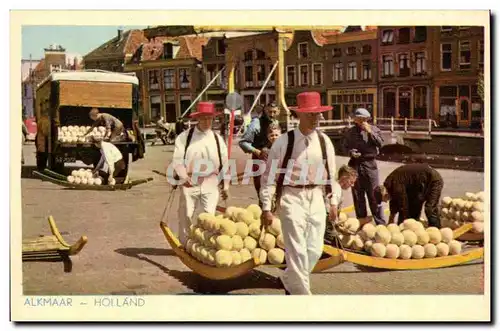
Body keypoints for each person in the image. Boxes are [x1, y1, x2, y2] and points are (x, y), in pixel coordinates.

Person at [260, 91, 336, 295]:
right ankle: (302, 298)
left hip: (316, 197)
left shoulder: (324, 141)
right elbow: (268, 177)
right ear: (299, 115)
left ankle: (288, 279)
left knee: (315, 249)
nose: (315, 118)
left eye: (318, 114)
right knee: (297, 250)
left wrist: (334, 202)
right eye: (310, 114)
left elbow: (332, 175)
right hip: (291, 197)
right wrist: (266, 207)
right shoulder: (283, 142)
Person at [172, 102, 230, 245]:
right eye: (203, 118)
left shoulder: (217, 139)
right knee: (186, 215)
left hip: (211, 183)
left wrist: (226, 184)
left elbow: (225, 163)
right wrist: (183, 176)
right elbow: (177, 160)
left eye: (210, 118)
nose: (207, 122)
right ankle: (185, 245)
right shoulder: (185, 137)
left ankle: (205, 246)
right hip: (189, 182)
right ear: (197, 118)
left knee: (208, 216)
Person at [343, 108, 384, 225]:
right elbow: (344, 147)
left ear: (367, 119)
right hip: (355, 165)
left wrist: (370, 131)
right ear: (355, 120)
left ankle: (380, 224)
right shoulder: (350, 132)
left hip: (369, 164)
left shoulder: (375, 129)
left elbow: (381, 144)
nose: (361, 122)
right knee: (358, 196)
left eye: (363, 120)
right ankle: (362, 223)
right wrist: (350, 152)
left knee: (374, 195)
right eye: (358, 120)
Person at [374, 164, 444, 227]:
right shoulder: (390, 184)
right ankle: (415, 229)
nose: (386, 202)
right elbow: (394, 201)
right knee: (414, 208)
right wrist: (391, 219)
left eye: (384, 200)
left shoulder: (396, 186)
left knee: (430, 208)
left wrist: (400, 226)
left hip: (433, 181)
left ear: (385, 195)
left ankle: (436, 229)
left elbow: (403, 207)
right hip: (420, 185)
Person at [239, 102, 281, 207]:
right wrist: (257, 152)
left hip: (276, 160)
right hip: (260, 160)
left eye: (274, 112)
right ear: (264, 110)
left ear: (278, 112)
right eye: (269, 112)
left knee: (277, 192)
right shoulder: (256, 123)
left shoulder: (277, 123)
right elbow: (243, 142)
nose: (271, 114)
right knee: (263, 193)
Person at [323, 165, 359, 244]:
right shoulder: (337, 188)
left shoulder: (335, 186)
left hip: (326, 220)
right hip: (326, 222)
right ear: (344, 178)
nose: (352, 185)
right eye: (351, 182)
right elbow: (333, 209)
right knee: (335, 244)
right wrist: (336, 228)